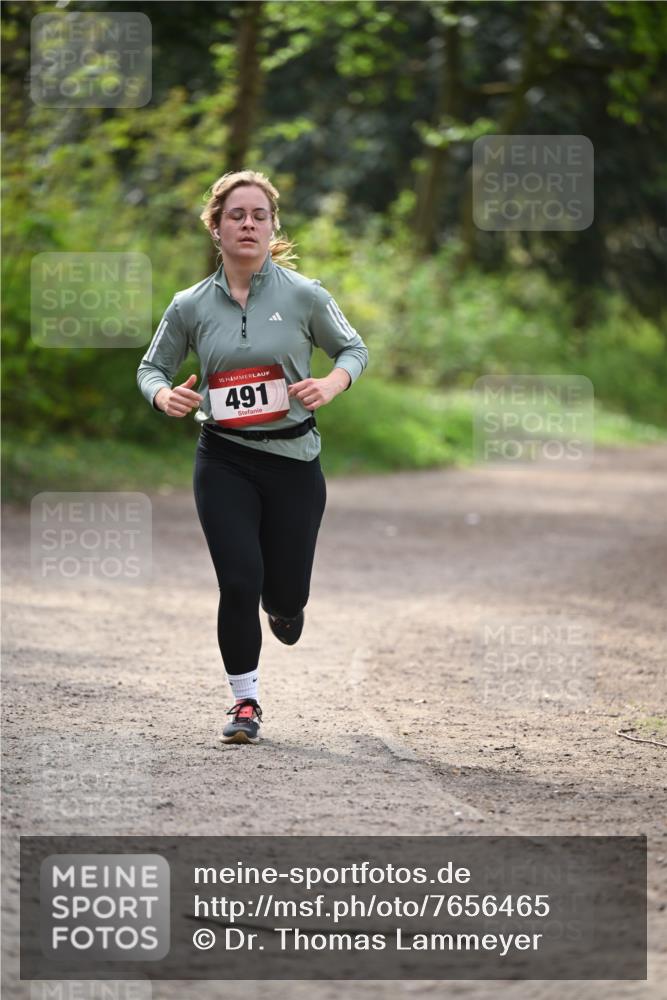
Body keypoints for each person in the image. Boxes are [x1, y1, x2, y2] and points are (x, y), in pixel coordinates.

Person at [137, 170, 369, 745]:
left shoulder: (304, 294)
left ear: (273, 227)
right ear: (216, 228)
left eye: (258, 215)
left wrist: (333, 384)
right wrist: (166, 395)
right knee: (239, 582)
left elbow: (353, 348)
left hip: (294, 461)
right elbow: (150, 368)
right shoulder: (189, 305)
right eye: (235, 215)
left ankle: (286, 608)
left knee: (283, 598)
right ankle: (245, 703)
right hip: (225, 459)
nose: (247, 224)